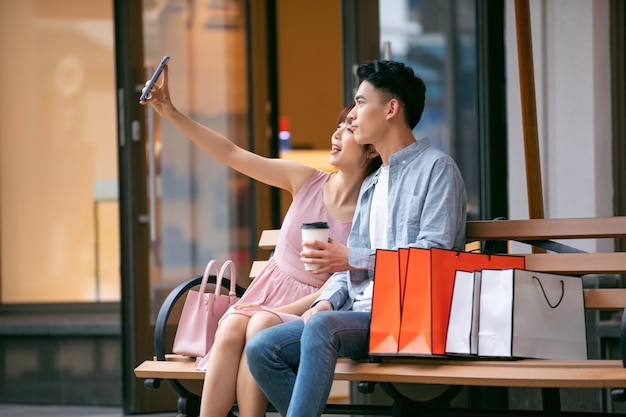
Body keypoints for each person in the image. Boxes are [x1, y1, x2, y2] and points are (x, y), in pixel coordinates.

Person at [140, 64, 382, 417]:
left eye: (349, 128)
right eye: (339, 124)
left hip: (316, 308)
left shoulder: (373, 207)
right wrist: (171, 112)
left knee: (257, 325)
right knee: (234, 325)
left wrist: (276, 311)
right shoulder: (306, 179)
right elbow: (232, 154)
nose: (337, 133)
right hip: (266, 293)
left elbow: (341, 284)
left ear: (371, 151)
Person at [245, 60, 468, 417]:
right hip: (359, 315)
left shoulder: (436, 169)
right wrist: (328, 301)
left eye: (362, 103)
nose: (354, 115)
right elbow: (346, 269)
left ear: (391, 109)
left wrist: (354, 259)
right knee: (261, 347)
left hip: (409, 316)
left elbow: (434, 254)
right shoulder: (372, 185)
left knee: (320, 327)